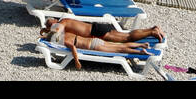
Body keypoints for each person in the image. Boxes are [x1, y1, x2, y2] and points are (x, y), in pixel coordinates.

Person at [37, 19, 166, 69]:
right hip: (96, 31)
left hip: (97, 31)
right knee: (125, 38)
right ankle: (151, 30)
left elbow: (56, 32)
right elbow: (54, 31)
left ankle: (152, 31)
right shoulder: (63, 24)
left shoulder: (62, 23)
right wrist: (44, 32)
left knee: (126, 37)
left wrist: (48, 33)